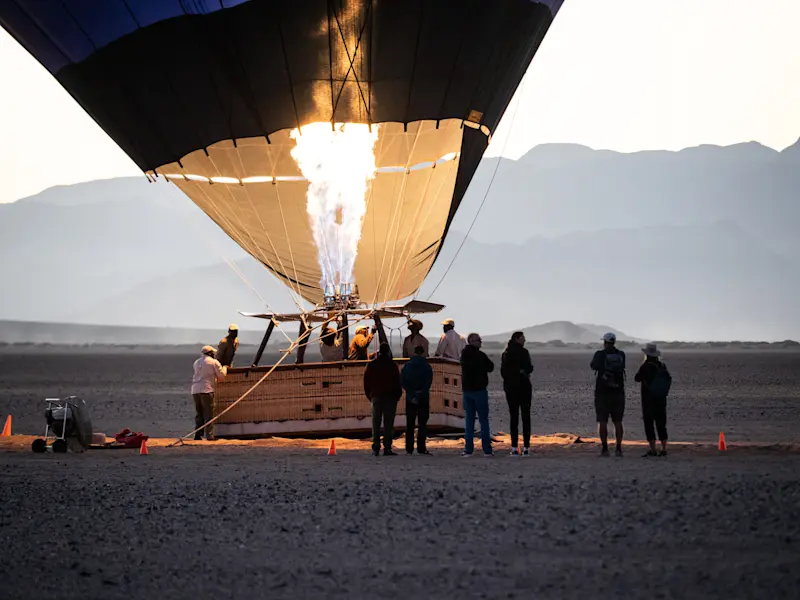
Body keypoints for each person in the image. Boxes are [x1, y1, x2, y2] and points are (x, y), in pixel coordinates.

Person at [590, 332, 626, 457]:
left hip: (602, 392)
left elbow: (593, 366)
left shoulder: (600, 354)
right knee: (618, 421)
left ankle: (605, 449)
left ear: (604, 342)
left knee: (602, 421)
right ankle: (618, 448)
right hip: (618, 392)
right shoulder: (621, 354)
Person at [363, 343, 402, 456]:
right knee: (388, 424)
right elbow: (397, 382)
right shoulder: (392, 365)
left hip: (376, 396)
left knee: (376, 423)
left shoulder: (371, 365)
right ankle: (387, 447)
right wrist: (397, 396)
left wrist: (370, 395)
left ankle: (376, 447)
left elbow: (366, 382)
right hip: (390, 397)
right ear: (388, 352)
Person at [634, 343, 672, 457]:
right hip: (661, 398)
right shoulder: (662, 365)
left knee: (649, 423)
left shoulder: (645, 366)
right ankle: (664, 448)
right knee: (661, 423)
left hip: (648, 399)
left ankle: (653, 449)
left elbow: (637, 378)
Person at [460, 333, 494, 457]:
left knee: (469, 420)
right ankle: (487, 450)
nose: (480, 342)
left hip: (468, 390)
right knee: (483, 420)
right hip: (479, 390)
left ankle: (468, 449)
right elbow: (490, 367)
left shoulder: (464, 355)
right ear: (471, 341)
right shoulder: (480, 355)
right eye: (478, 340)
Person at [501, 331, 534, 456]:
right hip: (523, 387)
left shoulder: (506, 353)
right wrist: (521, 372)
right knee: (526, 417)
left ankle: (514, 447)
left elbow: (503, 372)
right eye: (522, 338)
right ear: (517, 339)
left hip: (511, 389)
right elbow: (529, 368)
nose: (524, 340)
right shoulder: (523, 352)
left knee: (513, 417)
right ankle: (526, 447)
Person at [401, 344, 434, 455]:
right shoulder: (427, 367)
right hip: (423, 397)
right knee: (422, 424)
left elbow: (403, 382)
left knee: (410, 423)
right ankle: (421, 447)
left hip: (410, 397)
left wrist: (412, 393)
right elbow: (428, 383)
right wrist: (420, 393)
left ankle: (409, 448)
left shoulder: (407, 366)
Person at [190, 345, 227, 441]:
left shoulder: (196, 362)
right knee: (209, 414)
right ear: (210, 353)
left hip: (195, 390)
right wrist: (225, 368)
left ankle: (197, 435)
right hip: (207, 390)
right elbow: (221, 376)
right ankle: (209, 436)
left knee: (199, 414)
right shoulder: (214, 362)